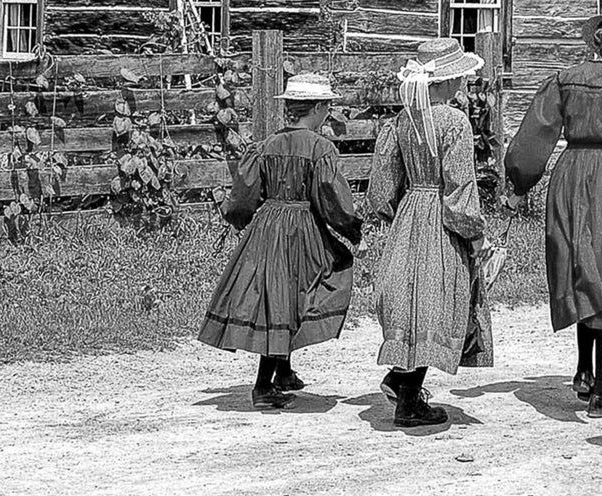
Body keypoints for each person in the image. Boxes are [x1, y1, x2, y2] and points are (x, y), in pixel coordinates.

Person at [505, 8, 602, 417]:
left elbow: (533, 137)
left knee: (580, 268)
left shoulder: (563, 79)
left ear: (597, 44)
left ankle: (582, 372)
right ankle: (601, 392)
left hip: (570, 174)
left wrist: (520, 185)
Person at [199, 74, 363, 410]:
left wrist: (243, 222)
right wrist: (351, 229)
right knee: (293, 295)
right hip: (300, 228)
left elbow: (243, 196)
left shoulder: (265, 146)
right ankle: (262, 386)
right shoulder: (320, 149)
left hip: (267, 226)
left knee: (276, 295)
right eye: (327, 106)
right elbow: (331, 197)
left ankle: (284, 371)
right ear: (317, 108)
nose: (328, 111)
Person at [366, 38, 494, 428]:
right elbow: (459, 190)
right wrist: (475, 235)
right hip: (440, 217)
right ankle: (409, 404)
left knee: (410, 297)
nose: (462, 84)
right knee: (437, 301)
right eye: (457, 78)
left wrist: (399, 215)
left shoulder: (400, 122)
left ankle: (400, 380)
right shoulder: (454, 122)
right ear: (441, 83)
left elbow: (381, 190)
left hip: (410, 214)